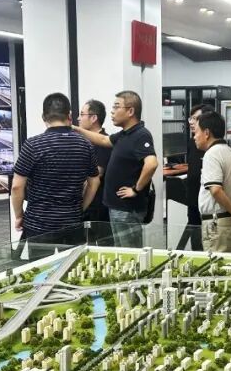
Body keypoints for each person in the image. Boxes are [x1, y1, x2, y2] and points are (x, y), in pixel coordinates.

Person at [10, 92, 99, 259]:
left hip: (39, 223)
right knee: (73, 267)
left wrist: (19, 215)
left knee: (42, 269)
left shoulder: (33, 145)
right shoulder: (84, 145)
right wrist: (81, 208)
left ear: (44, 117)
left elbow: (16, 186)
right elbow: (94, 182)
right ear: (69, 116)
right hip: (72, 222)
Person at [74, 90, 158, 249]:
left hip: (126, 210)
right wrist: (76, 129)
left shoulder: (141, 135)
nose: (112, 111)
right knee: (121, 252)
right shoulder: (124, 134)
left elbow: (151, 163)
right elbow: (103, 139)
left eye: (116, 106)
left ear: (130, 111)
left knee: (130, 254)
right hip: (117, 208)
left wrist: (136, 189)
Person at [194, 111, 231, 253]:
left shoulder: (212, 155)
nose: (194, 136)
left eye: (196, 132)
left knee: (216, 265)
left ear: (206, 133)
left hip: (219, 225)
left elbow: (215, 190)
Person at [178, 103, 215, 251]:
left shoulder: (212, 147)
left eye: (196, 118)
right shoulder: (193, 142)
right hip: (193, 202)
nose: (192, 122)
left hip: (207, 205)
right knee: (196, 244)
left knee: (209, 245)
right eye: (191, 118)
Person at [77, 99, 112, 240]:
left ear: (93, 118)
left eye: (82, 114)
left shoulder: (104, 142)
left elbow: (96, 175)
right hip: (85, 203)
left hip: (96, 206)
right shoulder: (83, 141)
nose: (78, 118)